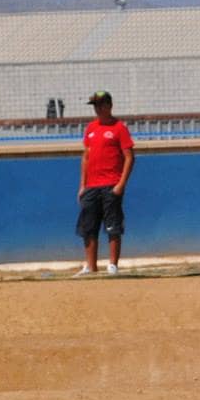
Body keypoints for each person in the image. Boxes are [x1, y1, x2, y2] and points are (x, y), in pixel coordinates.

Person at [74, 90, 135, 276]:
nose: (98, 109)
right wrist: (82, 185)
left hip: (111, 184)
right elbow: (86, 157)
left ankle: (112, 266)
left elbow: (129, 157)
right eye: (95, 106)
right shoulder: (91, 128)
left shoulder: (119, 128)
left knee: (112, 225)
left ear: (109, 106)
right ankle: (90, 266)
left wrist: (121, 184)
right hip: (91, 186)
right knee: (88, 226)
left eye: (101, 105)